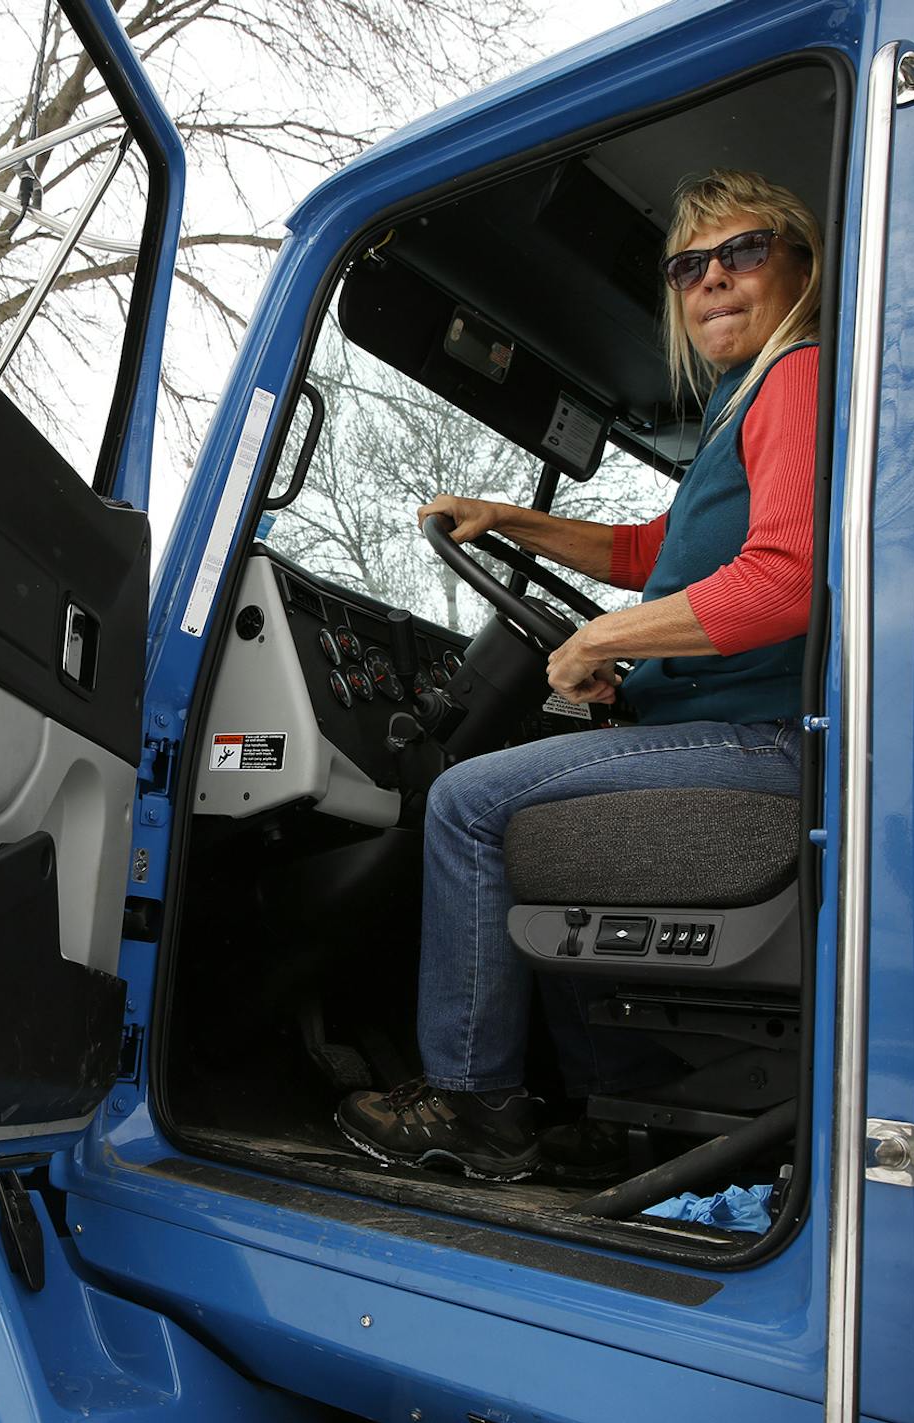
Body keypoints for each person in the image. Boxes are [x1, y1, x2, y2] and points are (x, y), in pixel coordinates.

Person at [336, 170, 824, 1181]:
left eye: (745, 252)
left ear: (801, 265)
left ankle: (473, 1103)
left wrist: (605, 642)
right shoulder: (743, 400)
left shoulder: (797, 378)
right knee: (547, 792)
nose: (714, 281)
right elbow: (657, 551)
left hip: (767, 738)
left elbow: (784, 584)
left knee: (472, 801)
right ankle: (614, 1098)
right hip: (735, 727)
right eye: (691, 267)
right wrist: (513, 519)